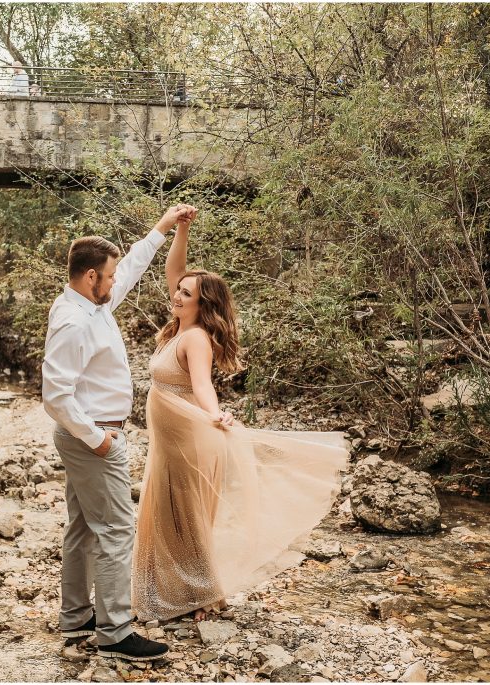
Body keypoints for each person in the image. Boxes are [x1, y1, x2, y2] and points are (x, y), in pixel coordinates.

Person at [132, 207, 349, 622]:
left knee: (186, 516)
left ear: (203, 304)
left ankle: (203, 593)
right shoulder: (178, 323)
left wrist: (215, 414)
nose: (177, 295)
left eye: (186, 294)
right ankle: (172, 590)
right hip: (170, 439)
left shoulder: (194, 338)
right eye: (178, 290)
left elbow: (201, 385)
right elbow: (176, 269)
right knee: (167, 513)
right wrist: (181, 228)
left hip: (188, 438)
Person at [42, 204, 196, 661]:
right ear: (91, 277)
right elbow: (55, 395)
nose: (114, 283)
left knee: (83, 528)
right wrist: (100, 440)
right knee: (115, 530)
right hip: (92, 438)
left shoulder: (89, 302)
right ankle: (114, 633)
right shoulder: (72, 322)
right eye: (107, 277)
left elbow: (128, 268)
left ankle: (76, 617)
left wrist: (162, 229)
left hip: (88, 436)